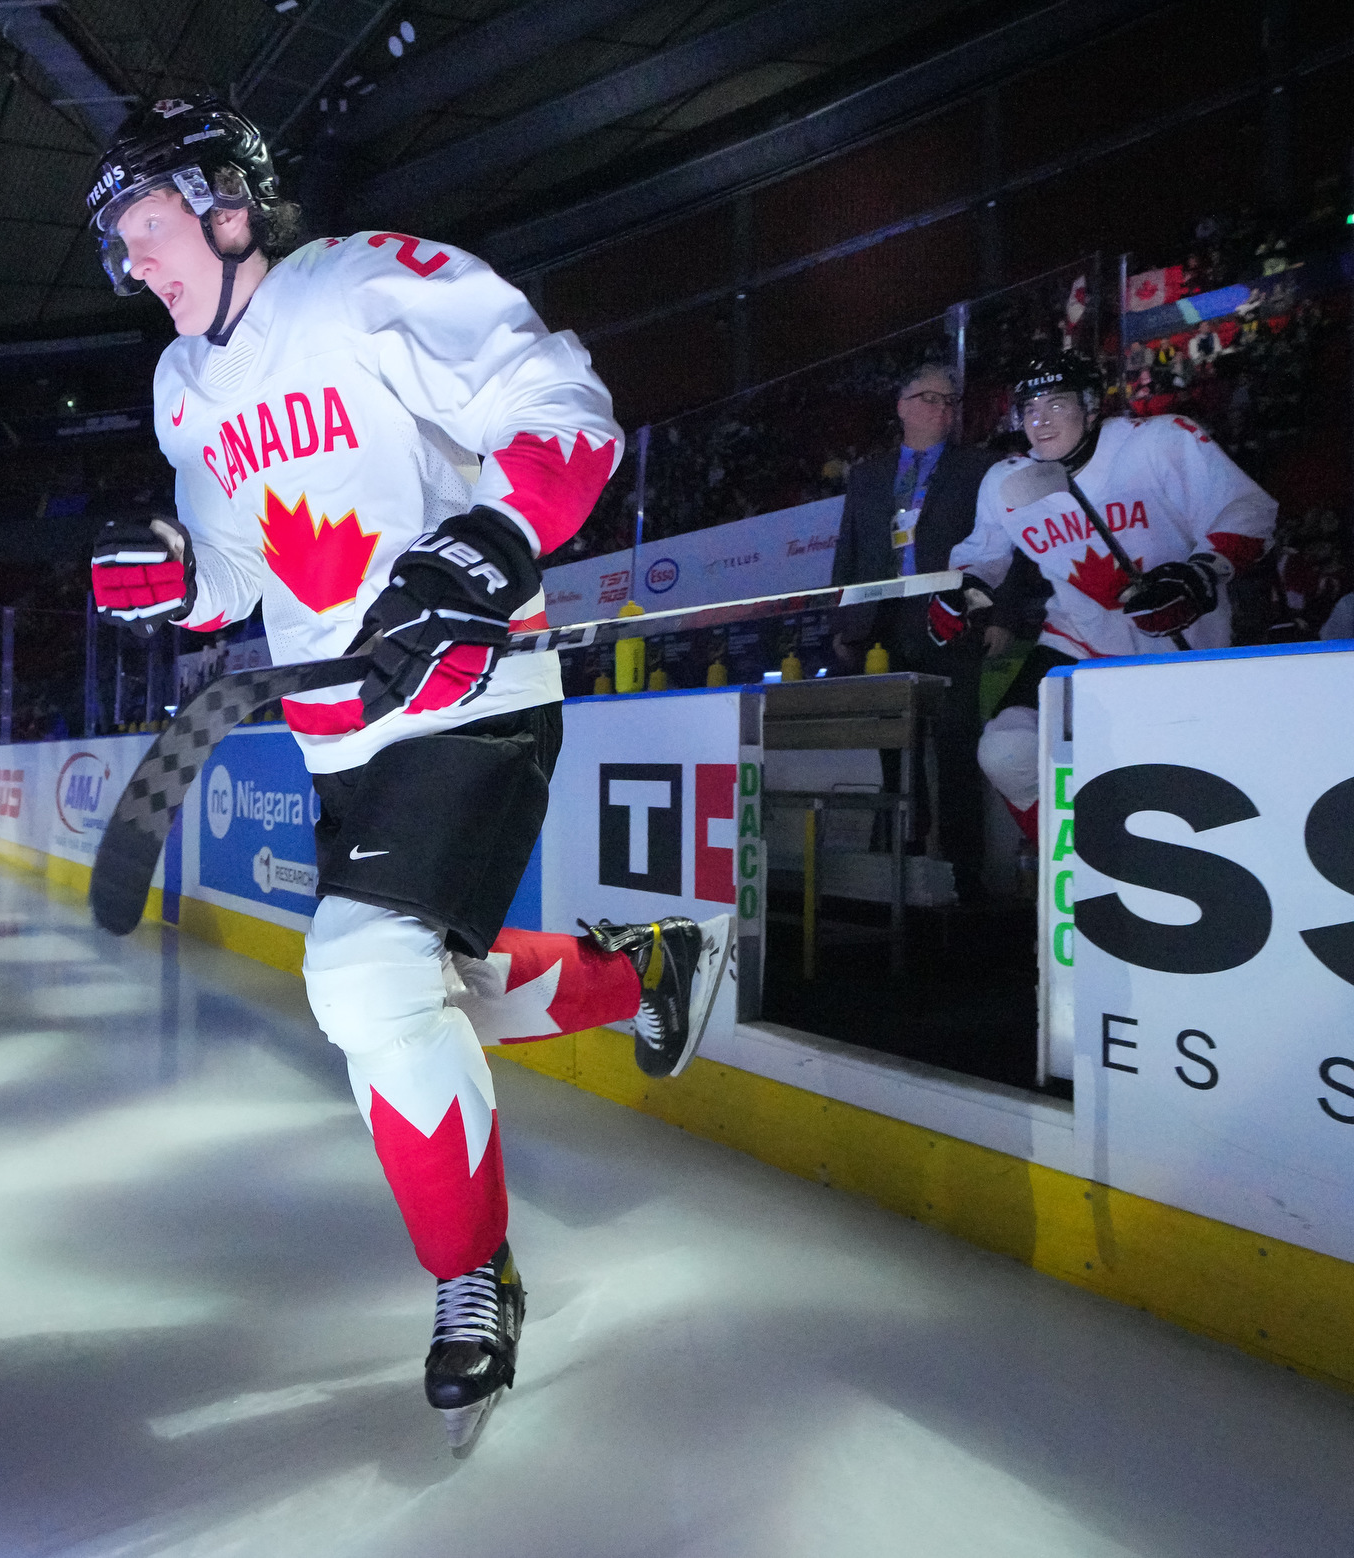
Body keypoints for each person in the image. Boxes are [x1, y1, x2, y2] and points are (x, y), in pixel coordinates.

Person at [84, 97, 733, 1447]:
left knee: (368, 973)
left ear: (226, 204)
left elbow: (564, 408)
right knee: (427, 979)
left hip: (475, 690)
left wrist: (493, 543)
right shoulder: (180, 389)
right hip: (339, 733)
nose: (137, 264)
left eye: (149, 228)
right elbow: (243, 569)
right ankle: (647, 969)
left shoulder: (368, 282)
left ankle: (470, 1274)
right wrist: (181, 583)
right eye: (125, 245)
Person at [931, 351, 1276, 843]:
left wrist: (1199, 576)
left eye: (1056, 404)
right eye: (1030, 409)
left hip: (1179, 649)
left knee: (1178, 792)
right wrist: (959, 593)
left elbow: (1248, 510)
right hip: (1077, 641)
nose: (1041, 421)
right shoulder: (1008, 481)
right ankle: (1071, 859)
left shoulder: (1159, 442)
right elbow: (982, 554)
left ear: (1092, 407)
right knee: (1006, 749)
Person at [830, 364, 1001, 899]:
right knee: (895, 753)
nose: (943, 408)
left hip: (952, 617)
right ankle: (902, 860)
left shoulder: (980, 468)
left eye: (951, 400)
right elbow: (850, 551)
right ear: (901, 405)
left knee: (956, 749)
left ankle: (964, 874)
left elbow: (1003, 549)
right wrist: (845, 621)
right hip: (881, 624)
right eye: (929, 398)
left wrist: (997, 615)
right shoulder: (869, 475)